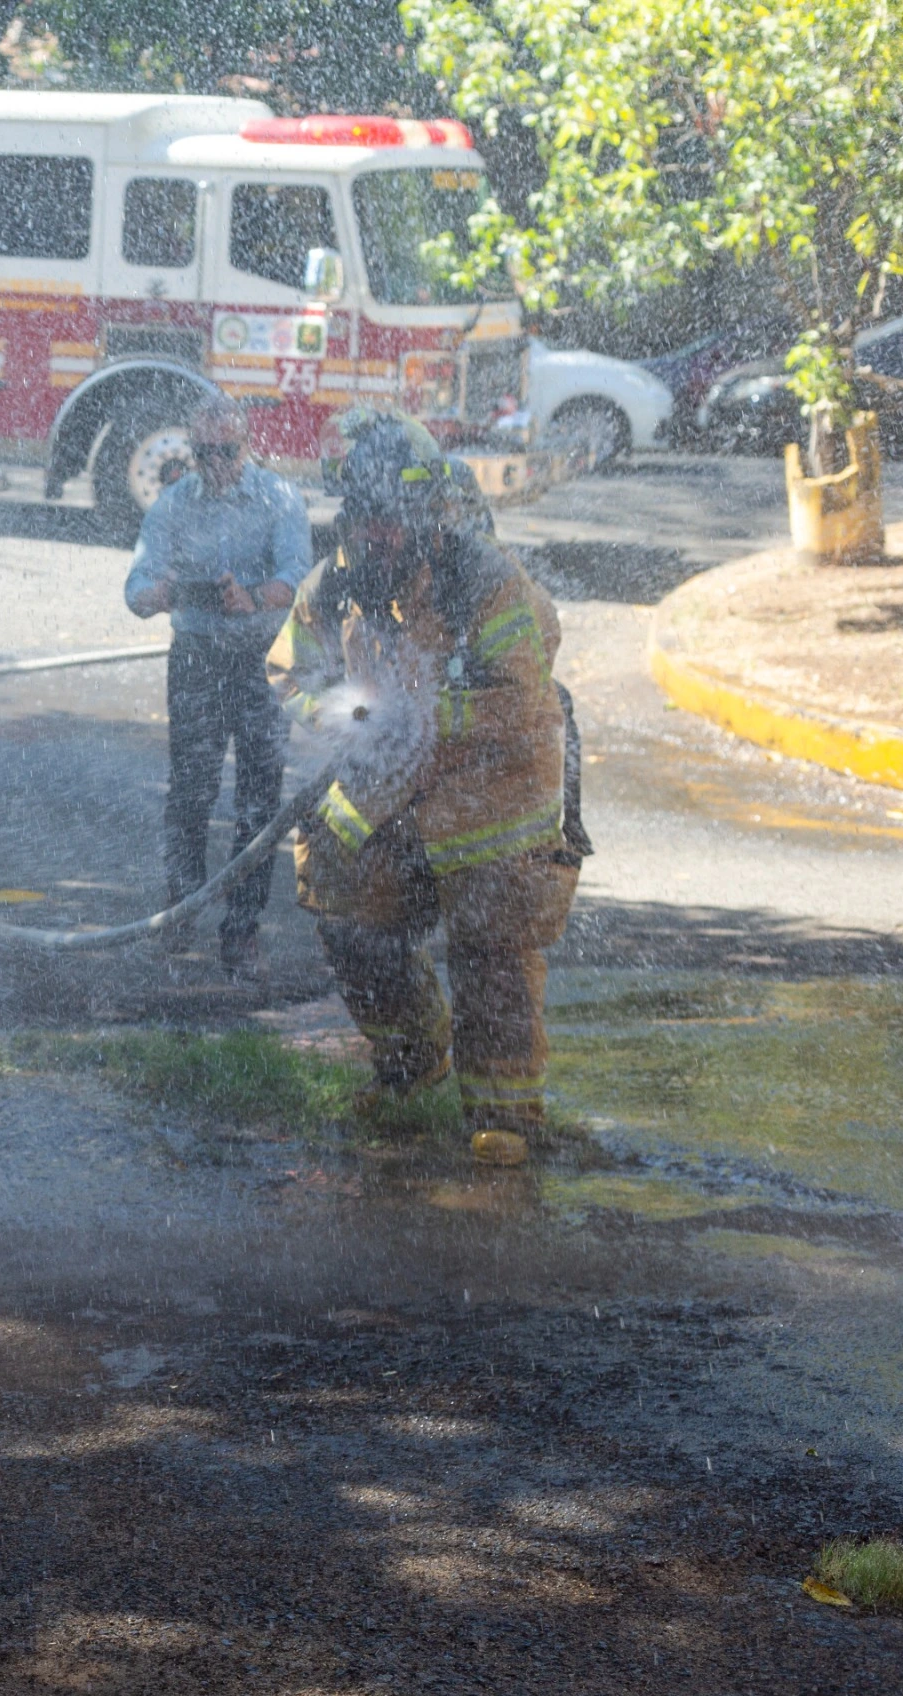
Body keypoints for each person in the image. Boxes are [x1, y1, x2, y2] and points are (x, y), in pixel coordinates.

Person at [267, 414, 582, 1150]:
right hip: (387, 787)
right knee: (348, 918)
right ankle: (410, 1064)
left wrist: (427, 712)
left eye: (390, 520)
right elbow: (291, 676)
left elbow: (526, 702)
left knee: (491, 950)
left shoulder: (488, 584)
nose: (375, 536)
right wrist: (343, 714)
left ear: (427, 515)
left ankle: (504, 1122)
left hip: (491, 792)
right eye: (363, 519)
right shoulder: (336, 583)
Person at [122, 399, 310, 982]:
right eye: (203, 453)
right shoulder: (174, 504)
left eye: (226, 452)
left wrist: (251, 597)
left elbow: (299, 577)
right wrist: (163, 593)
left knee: (258, 800)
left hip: (260, 659)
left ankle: (242, 931)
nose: (215, 465)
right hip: (198, 657)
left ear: (247, 448)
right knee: (190, 794)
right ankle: (181, 912)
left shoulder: (280, 498)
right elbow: (135, 587)